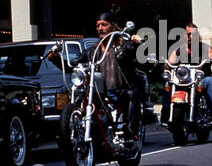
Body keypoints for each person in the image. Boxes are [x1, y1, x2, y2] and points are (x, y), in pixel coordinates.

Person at [48, 12, 144, 140]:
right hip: (102, 94)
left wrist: (136, 42)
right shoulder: (93, 52)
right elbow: (72, 65)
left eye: (104, 25)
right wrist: (56, 59)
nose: (100, 28)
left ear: (114, 27)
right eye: (98, 25)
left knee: (133, 96)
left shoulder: (123, 47)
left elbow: (136, 53)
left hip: (123, 92)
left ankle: (132, 133)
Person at [161, 22, 212, 125]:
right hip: (182, 81)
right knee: (168, 82)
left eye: (194, 35)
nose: (191, 37)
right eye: (188, 34)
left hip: (199, 80)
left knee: (210, 80)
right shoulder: (179, 49)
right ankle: (166, 111)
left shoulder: (205, 48)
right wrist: (165, 66)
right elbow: (169, 62)